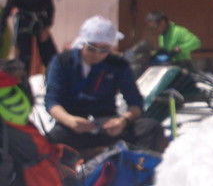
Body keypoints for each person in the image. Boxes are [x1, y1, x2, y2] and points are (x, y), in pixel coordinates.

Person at [44, 15, 167, 155]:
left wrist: (123, 121)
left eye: (104, 50)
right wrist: (70, 121)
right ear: (83, 43)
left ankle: (136, 169)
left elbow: (136, 103)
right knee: (49, 144)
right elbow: (52, 101)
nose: (97, 54)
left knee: (150, 128)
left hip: (107, 124)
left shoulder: (118, 64)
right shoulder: (62, 62)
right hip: (73, 124)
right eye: (92, 48)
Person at [0, 0, 58, 72]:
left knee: (49, 53)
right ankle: (23, 80)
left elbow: (50, 8)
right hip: (24, 22)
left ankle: (52, 74)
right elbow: (7, 10)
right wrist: (2, 26)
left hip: (40, 21)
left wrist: (47, 26)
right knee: (24, 55)